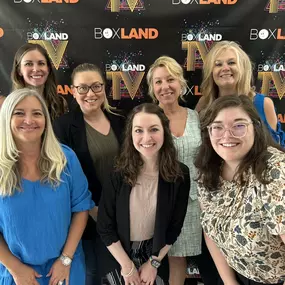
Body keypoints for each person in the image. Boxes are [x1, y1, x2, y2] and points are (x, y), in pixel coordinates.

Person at [0, 88, 94, 285]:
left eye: (36, 113)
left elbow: (81, 209)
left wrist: (65, 260)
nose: (29, 120)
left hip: (64, 269)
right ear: (6, 117)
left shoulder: (65, 159)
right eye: (19, 113)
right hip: (17, 274)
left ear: (46, 120)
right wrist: (15, 269)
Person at [195, 94, 285, 285]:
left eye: (239, 125)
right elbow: (210, 231)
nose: (227, 135)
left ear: (256, 128)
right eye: (217, 127)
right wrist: (229, 282)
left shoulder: (275, 170)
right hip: (236, 277)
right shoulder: (208, 173)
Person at [147, 55, 221, 285]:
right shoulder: (149, 119)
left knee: (213, 257)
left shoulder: (195, 116)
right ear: (152, 88)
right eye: (158, 82)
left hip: (201, 200)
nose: (164, 86)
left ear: (181, 83)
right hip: (167, 201)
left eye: (170, 79)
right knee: (175, 261)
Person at [97, 103, 190, 285]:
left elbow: (173, 229)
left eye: (153, 129)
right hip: (117, 255)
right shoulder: (117, 173)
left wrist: (154, 263)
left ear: (164, 132)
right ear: (130, 135)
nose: (146, 138)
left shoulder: (180, 174)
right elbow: (104, 227)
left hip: (155, 254)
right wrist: (127, 266)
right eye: (138, 130)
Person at [53, 63, 125, 285]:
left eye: (96, 86)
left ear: (104, 88)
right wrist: (95, 212)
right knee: (92, 274)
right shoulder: (62, 127)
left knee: (122, 273)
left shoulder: (121, 120)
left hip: (123, 215)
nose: (90, 94)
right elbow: (63, 178)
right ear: (72, 91)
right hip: (88, 219)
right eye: (82, 88)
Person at [196, 40, 284, 146]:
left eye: (231, 63)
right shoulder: (204, 103)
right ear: (211, 72)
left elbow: (275, 149)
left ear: (243, 68)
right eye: (218, 64)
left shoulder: (263, 104)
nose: (225, 68)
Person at [11, 43, 65, 121]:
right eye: (28, 64)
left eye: (41, 63)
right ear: (19, 70)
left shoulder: (60, 103)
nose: (36, 69)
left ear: (48, 69)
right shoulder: (10, 105)